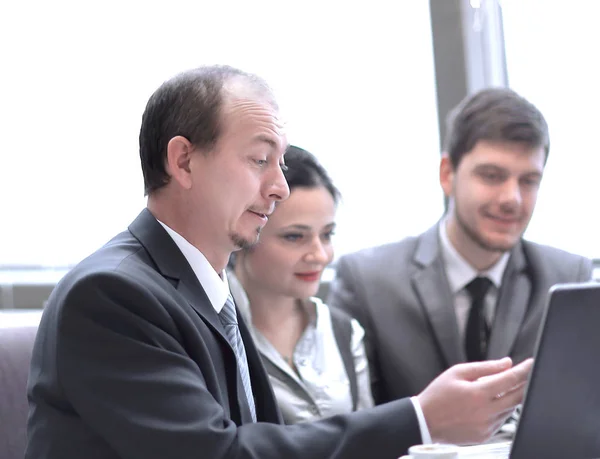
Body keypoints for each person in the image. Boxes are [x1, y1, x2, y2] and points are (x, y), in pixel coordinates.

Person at [26, 66, 533, 459]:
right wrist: (421, 418)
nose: (280, 186)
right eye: (259, 159)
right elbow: (217, 455)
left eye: (281, 162)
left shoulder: (208, 286)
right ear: (182, 161)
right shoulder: (112, 294)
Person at [328, 87, 592, 407]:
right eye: (492, 176)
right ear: (447, 174)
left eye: (528, 181)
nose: (512, 198)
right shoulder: (368, 281)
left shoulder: (568, 277)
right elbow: (353, 425)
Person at [229, 145, 374, 424]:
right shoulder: (211, 331)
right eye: (295, 237)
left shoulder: (344, 333)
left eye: (327, 235)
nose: (319, 255)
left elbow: (369, 439)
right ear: (245, 233)